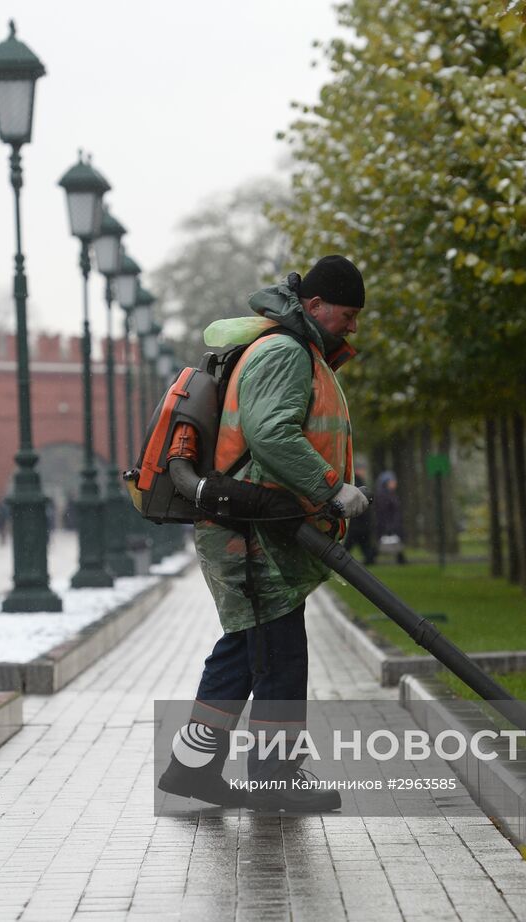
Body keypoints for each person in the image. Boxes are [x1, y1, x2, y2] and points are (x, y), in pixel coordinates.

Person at [157, 255, 369, 813]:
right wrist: (331, 488)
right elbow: (271, 434)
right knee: (276, 655)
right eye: (347, 314)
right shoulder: (285, 352)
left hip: (252, 525)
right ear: (316, 306)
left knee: (247, 650)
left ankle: (191, 769)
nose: (352, 327)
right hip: (252, 531)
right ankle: (276, 778)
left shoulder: (291, 349)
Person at [343, 466, 377, 565]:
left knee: (355, 545)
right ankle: (369, 559)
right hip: (359, 523)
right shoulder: (358, 483)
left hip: (357, 523)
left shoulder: (356, 482)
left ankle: (369, 559)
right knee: (361, 544)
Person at [374, 471, 408, 565]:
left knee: (396, 542)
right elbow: (383, 512)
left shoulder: (390, 494)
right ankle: (371, 558)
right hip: (388, 523)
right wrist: (388, 525)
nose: (394, 483)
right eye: (392, 481)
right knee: (387, 541)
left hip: (393, 523)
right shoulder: (384, 495)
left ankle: (401, 559)